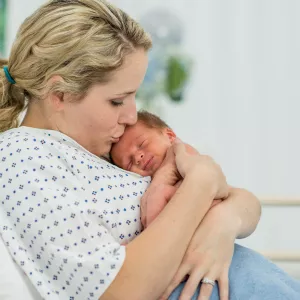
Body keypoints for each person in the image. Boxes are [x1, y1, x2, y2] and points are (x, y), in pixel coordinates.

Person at [0, 1, 299, 300]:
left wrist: (223, 223)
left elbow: (244, 201)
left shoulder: (101, 149)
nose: (132, 116)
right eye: (117, 101)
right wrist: (201, 183)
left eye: (134, 96)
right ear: (60, 94)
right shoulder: (22, 158)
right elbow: (119, 292)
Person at [111, 110, 223, 228]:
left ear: (169, 136)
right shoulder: (145, 187)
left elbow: (200, 175)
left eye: (142, 144)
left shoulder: (181, 150)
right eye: (129, 163)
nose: (138, 157)